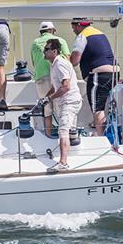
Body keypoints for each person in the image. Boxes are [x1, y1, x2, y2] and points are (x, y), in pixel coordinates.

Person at [70, 18, 118, 136]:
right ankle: (100, 127)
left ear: (78, 26)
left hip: (99, 76)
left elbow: (75, 60)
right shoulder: (100, 33)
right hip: (114, 73)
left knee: (98, 110)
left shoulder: (82, 36)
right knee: (103, 106)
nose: (73, 30)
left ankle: (103, 139)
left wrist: (65, 59)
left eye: (73, 27)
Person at [43, 38, 82, 173]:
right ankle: (72, 154)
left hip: (69, 101)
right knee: (69, 131)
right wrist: (46, 98)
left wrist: (51, 98)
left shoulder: (60, 64)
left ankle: (63, 163)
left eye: (47, 49)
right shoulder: (54, 64)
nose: (44, 52)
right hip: (66, 101)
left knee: (62, 130)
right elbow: (56, 87)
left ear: (55, 51)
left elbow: (65, 86)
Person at [30, 21, 71, 137]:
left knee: (46, 110)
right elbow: (68, 60)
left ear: (41, 32)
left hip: (41, 78)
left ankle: (48, 136)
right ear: (53, 30)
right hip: (57, 78)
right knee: (60, 108)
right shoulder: (60, 41)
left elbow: (34, 63)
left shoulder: (34, 43)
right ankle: (63, 136)